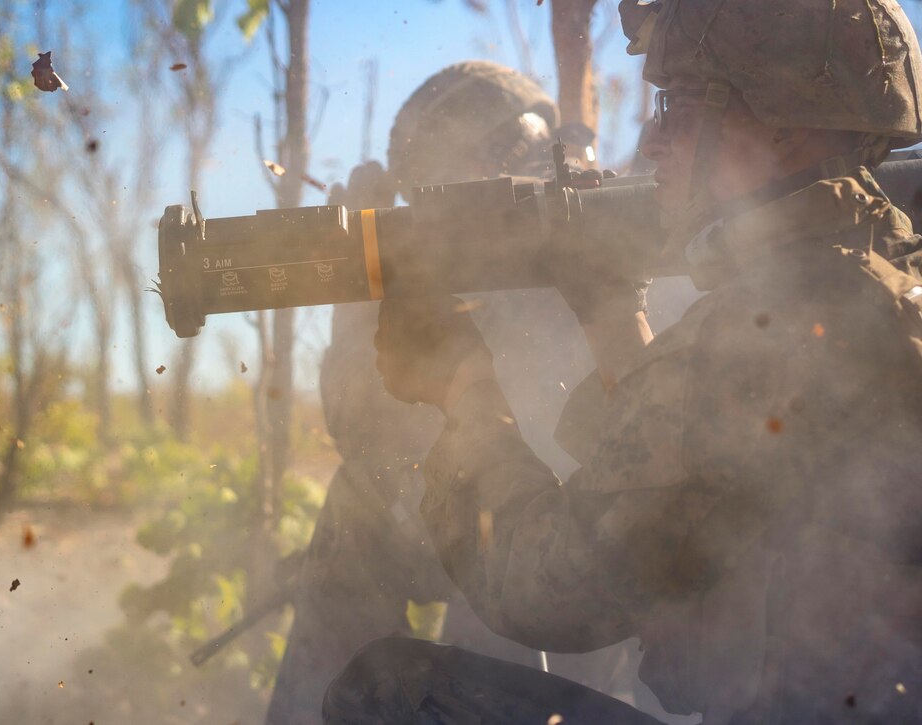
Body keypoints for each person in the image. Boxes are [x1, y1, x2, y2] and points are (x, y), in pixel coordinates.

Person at [325, 0, 922, 723]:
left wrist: (464, 389)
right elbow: (692, 490)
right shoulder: (880, 280)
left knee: (386, 687)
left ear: (783, 123)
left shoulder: (750, 335)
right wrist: (610, 311)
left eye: (682, 105)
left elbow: (541, 586)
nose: (656, 135)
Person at [267, 61, 657, 724]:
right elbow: (370, 441)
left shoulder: (612, 254)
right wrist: (363, 286)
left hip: (592, 602)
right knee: (365, 499)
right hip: (539, 566)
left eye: (508, 157)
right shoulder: (468, 282)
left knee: (498, 548)